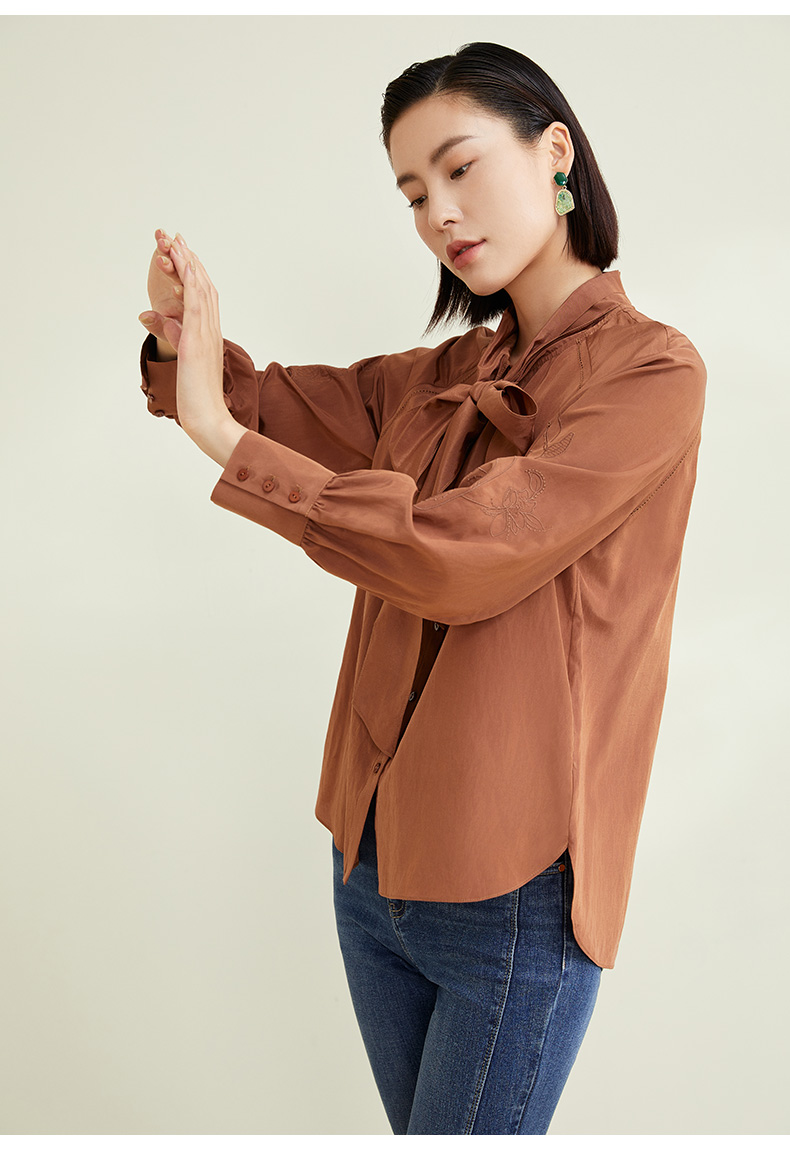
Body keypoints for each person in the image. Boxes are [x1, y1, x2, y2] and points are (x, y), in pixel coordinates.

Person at [136, 42, 706, 1135]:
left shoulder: (651, 374)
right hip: (368, 867)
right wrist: (186, 342)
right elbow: (280, 405)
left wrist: (219, 433)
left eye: (459, 167)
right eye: (411, 193)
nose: (438, 212)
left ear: (554, 153)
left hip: (511, 888)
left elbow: (462, 557)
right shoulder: (448, 374)